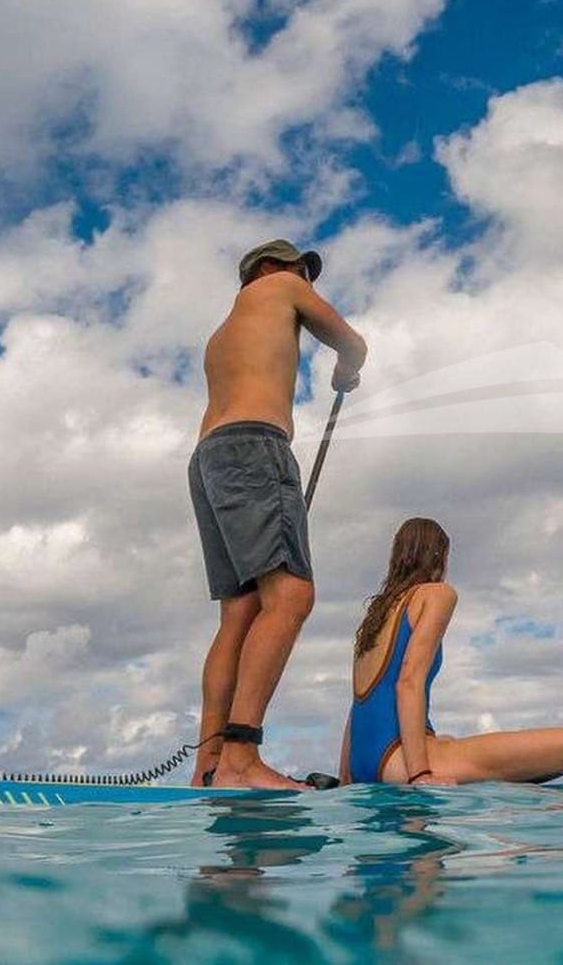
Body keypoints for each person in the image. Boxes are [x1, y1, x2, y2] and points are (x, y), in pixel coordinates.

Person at [190, 239, 368, 790]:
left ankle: (210, 766)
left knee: (240, 615)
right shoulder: (279, 288)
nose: (307, 285)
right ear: (267, 269)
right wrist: (344, 369)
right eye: (301, 273)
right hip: (254, 447)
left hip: (209, 458)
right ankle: (242, 758)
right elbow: (353, 343)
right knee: (292, 596)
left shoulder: (222, 334)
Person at [340, 517, 563, 786]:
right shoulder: (436, 594)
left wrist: (345, 780)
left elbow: (357, 704)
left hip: (364, 763)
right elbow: (408, 681)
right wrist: (420, 776)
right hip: (400, 761)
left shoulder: (376, 616)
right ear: (439, 557)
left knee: (448, 742)